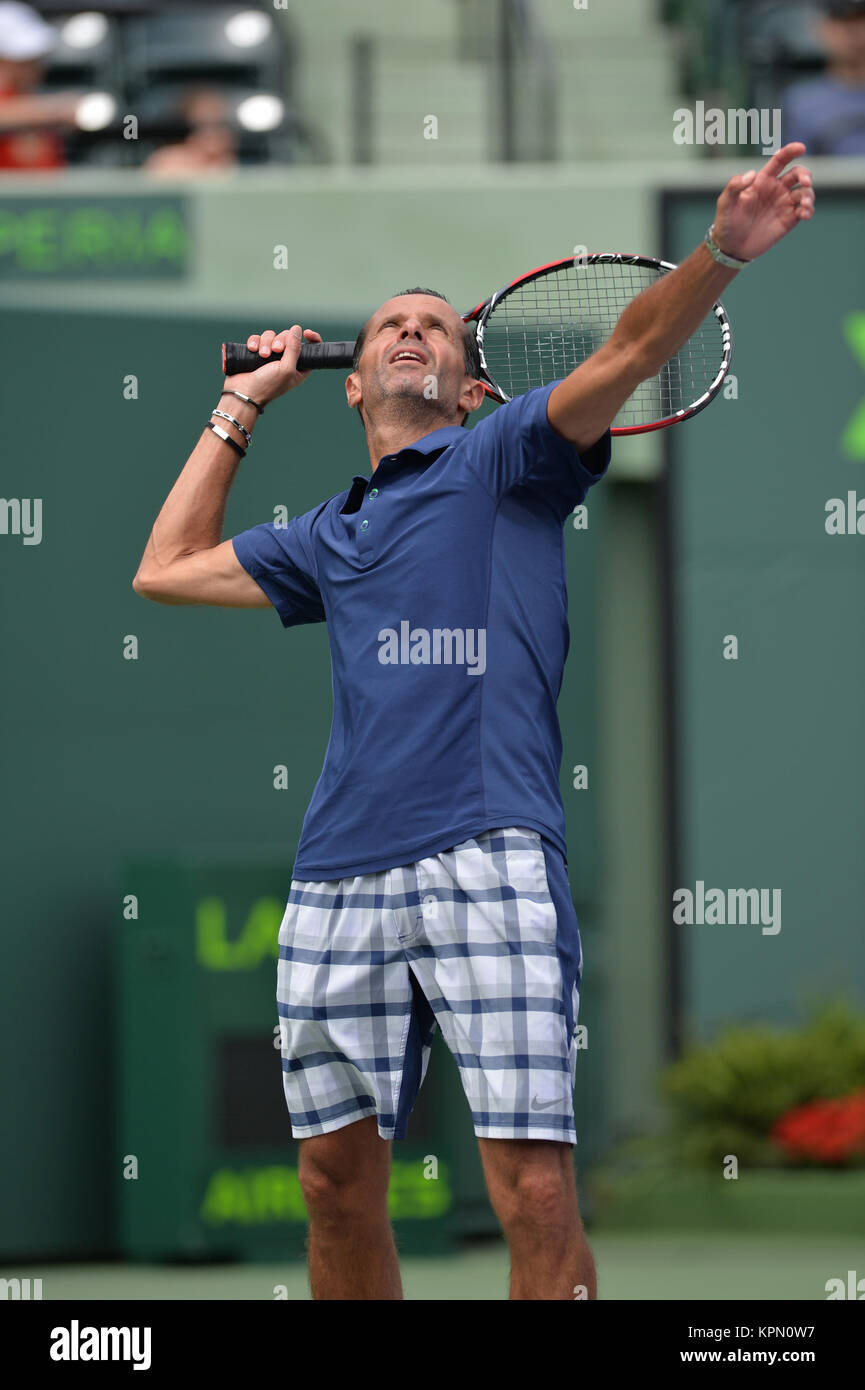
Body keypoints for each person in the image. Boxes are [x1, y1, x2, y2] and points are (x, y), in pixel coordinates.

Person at [132, 144, 814, 1300]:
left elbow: (635, 346)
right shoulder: (326, 536)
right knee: (331, 1183)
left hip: (486, 852)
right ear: (352, 382)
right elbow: (167, 567)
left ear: (472, 382)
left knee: (531, 1192)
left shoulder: (511, 455)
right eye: (390, 323)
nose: (409, 333)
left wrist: (719, 253)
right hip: (337, 873)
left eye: (436, 328)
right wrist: (241, 399)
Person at [0, 1, 80, 172]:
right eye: (24, 58)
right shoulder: (39, 109)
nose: (37, 65)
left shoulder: (27, 99)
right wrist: (54, 110)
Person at [783, 0, 865, 155]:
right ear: (821, 28)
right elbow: (795, 171)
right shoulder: (799, 104)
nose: (851, 31)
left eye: (859, 20)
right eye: (839, 21)